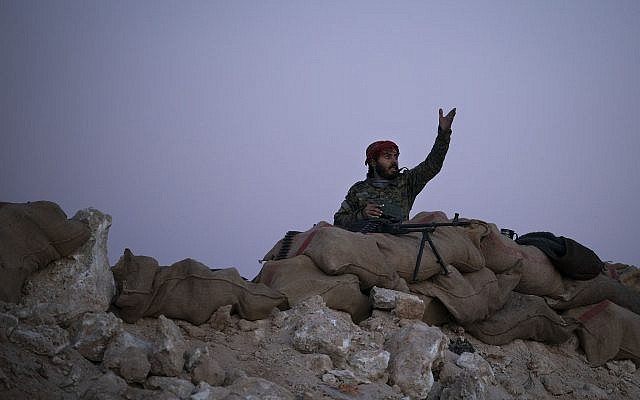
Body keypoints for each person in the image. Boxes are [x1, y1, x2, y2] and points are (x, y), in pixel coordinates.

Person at [333, 108, 456, 229]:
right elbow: (338, 220)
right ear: (373, 162)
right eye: (387, 156)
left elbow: (432, 165)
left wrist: (443, 134)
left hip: (398, 244)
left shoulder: (407, 182)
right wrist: (361, 215)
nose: (394, 161)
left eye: (395, 156)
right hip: (366, 245)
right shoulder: (358, 190)